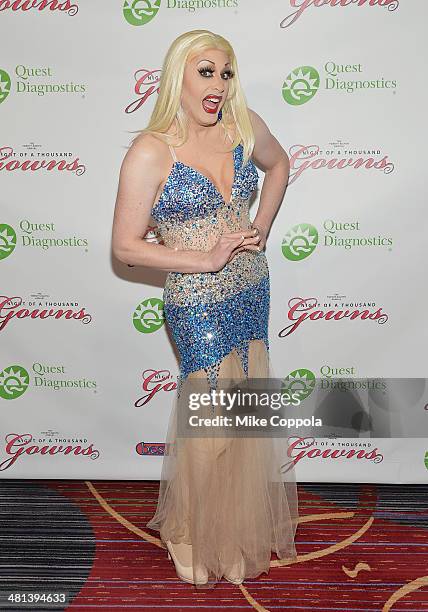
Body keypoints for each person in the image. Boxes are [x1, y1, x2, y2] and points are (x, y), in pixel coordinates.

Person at [112, 29, 299, 589]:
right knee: (210, 429)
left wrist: (260, 226)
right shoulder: (151, 150)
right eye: (205, 71)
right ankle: (188, 530)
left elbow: (280, 165)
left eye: (226, 72)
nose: (218, 83)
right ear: (179, 77)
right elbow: (125, 247)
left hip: (251, 288)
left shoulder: (245, 128)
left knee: (242, 421)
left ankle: (231, 527)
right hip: (197, 299)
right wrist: (203, 258)